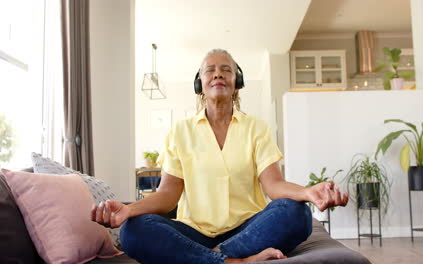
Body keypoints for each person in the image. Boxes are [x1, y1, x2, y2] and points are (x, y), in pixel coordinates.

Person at [91, 49, 348, 264]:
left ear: (237, 82)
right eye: (210, 70)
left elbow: (274, 185)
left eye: (226, 69)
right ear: (199, 83)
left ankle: (207, 258)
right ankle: (235, 261)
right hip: (194, 232)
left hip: (249, 229)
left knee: (296, 213)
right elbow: (168, 196)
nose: (218, 74)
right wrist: (128, 209)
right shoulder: (180, 131)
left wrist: (308, 192)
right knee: (133, 230)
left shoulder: (256, 128)